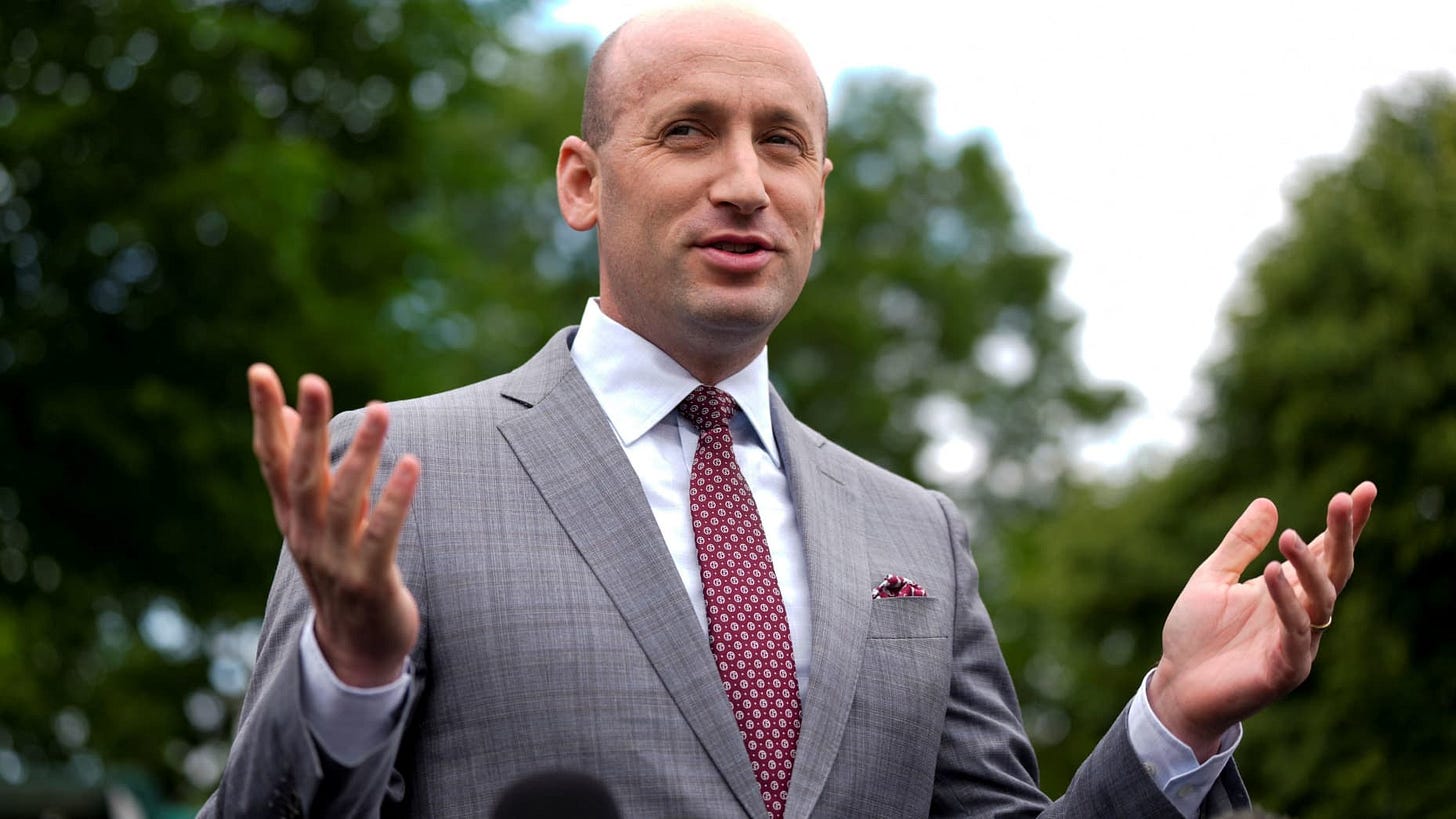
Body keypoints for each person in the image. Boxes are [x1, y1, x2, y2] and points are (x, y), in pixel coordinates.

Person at [202, 5, 1377, 817]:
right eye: (687, 131)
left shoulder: (916, 533)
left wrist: (1171, 721)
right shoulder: (398, 473)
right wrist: (350, 673)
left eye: (782, 143)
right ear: (580, 180)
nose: (742, 183)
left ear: (821, 195)